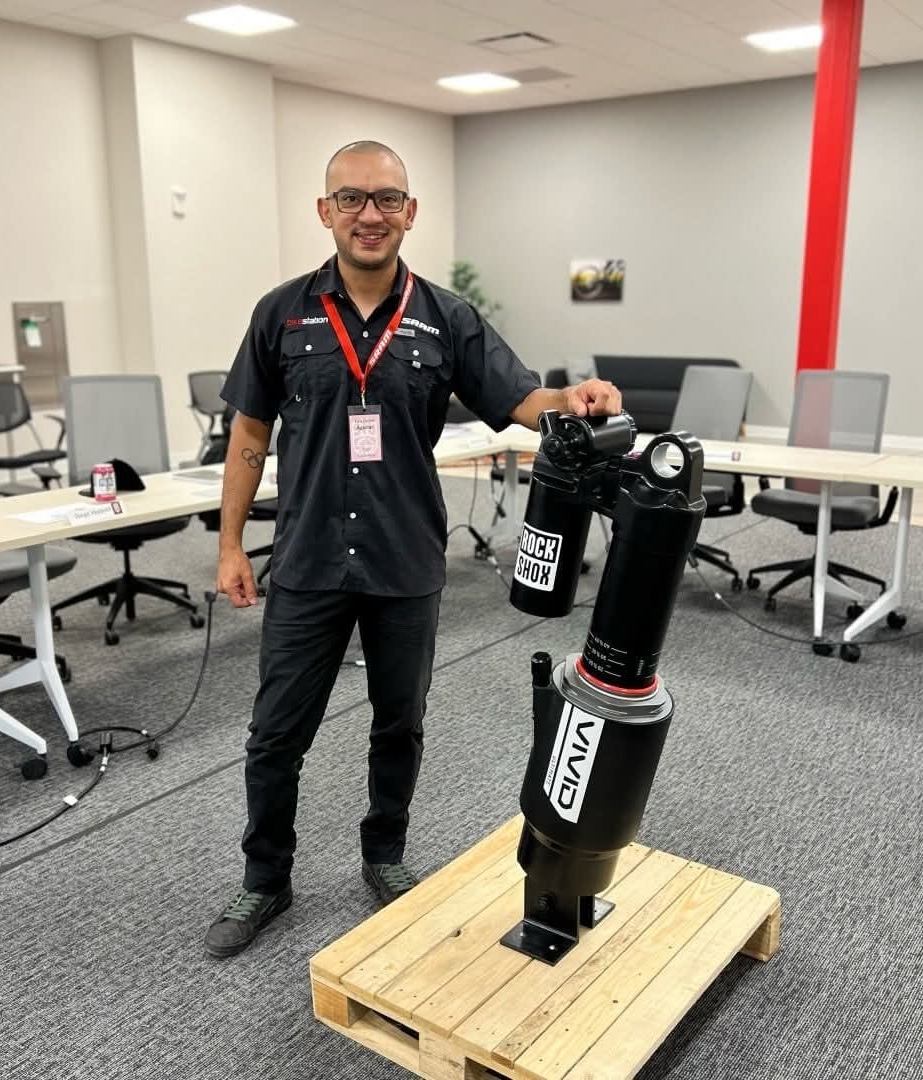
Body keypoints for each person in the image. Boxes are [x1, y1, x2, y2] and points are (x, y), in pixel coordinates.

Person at [204, 140, 622, 958]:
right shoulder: (280, 313)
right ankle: (265, 878)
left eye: (387, 199)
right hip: (309, 559)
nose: (370, 214)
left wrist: (572, 398)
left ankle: (384, 855)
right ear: (325, 211)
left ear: (410, 212)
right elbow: (249, 433)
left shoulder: (446, 317)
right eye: (352, 199)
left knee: (400, 724)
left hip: (403, 557)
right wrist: (229, 545)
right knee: (275, 734)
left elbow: (520, 398)